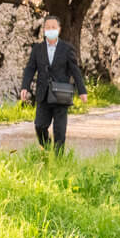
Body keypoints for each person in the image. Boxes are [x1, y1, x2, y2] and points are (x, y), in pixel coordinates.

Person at [19, 20, 87, 152]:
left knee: (59, 130)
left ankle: (58, 158)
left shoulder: (67, 49)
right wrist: (24, 87)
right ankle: (47, 148)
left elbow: (75, 70)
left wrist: (82, 91)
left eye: (53, 27)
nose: (51, 30)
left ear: (59, 29)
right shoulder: (37, 49)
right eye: (48, 27)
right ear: (44, 30)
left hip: (61, 94)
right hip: (43, 94)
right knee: (39, 126)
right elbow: (30, 69)